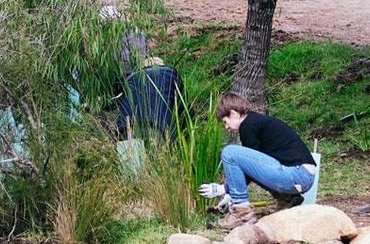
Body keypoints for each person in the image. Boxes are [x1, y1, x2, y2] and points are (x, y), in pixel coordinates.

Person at [209, 93, 317, 229]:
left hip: (296, 175)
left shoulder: (247, 126)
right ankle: (288, 199)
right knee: (246, 162)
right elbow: (251, 170)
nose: (226, 127)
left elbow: (247, 171)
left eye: (225, 121)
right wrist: (229, 190)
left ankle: (241, 213)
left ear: (233, 113)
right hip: (302, 176)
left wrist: (224, 189)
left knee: (229, 152)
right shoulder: (256, 122)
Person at [118, 56, 184, 138]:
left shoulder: (130, 79)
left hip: (127, 129)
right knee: (160, 149)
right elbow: (183, 107)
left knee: (131, 150)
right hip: (159, 128)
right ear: (162, 65)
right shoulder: (170, 73)